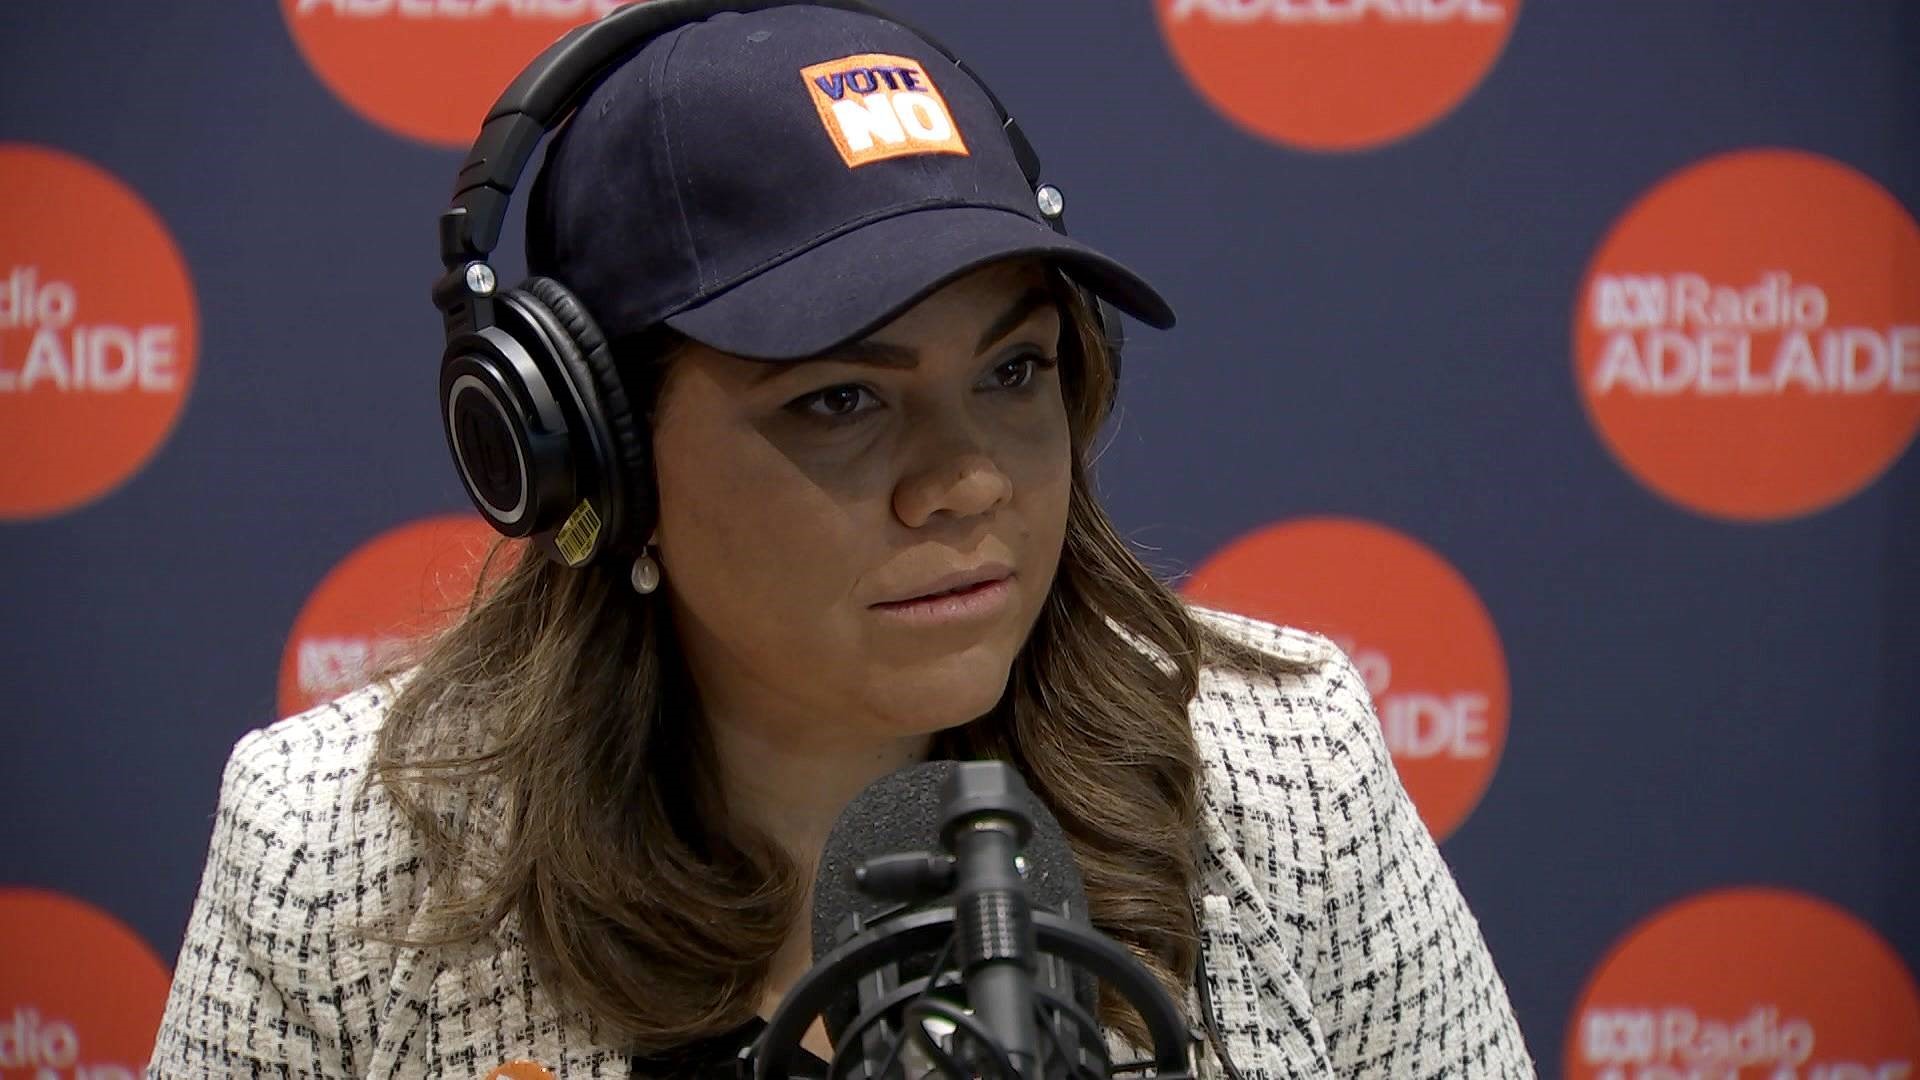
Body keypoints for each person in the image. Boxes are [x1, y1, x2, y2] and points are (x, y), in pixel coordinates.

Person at [149, 3, 1533, 1077]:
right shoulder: (339, 858)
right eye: (840, 399)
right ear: (600, 461)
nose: (967, 482)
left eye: (1014, 371)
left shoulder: (1288, 781)